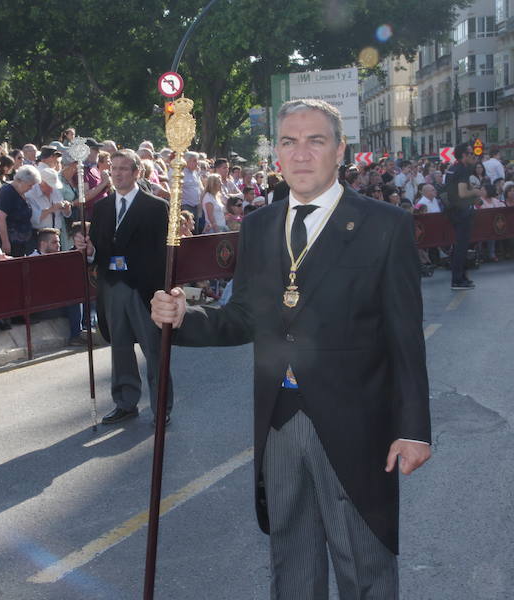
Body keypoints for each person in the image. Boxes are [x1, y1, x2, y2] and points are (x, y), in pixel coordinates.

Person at [151, 99, 430, 599]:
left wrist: (413, 430)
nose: (301, 154)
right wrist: (183, 318)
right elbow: (245, 317)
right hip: (278, 421)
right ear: (275, 153)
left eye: (315, 140)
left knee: (363, 567)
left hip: (356, 426)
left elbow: (404, 336)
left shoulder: (384, 225)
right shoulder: (258, 226)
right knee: (292, 568)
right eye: (288, 142)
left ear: (340, 150)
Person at [75, 149, 172, 427]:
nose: (117, 174)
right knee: (119, 347)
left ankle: (161, 406)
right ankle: (125, 402)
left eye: (123, 169)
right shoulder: (103, 208)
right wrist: (89, 250)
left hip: (144, 289)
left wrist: (161, 292)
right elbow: (99, 249)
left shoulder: (155, 207)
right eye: (113, 169)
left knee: (153, 350)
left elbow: (162, 254)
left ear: (137, 173)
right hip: (113, 286)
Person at [444, 142, 479, 290]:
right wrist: (476, 191)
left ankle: (462, 277)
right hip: (461, 211)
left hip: (454, 210)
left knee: (461, 246)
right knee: (461, 247)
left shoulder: (453, 168)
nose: (474, 156)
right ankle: (457, 280)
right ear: (464, 155)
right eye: (471, 153)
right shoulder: (462, 170)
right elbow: (462, 193)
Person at [0, 165, 39, 257]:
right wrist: (5, 242)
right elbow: (0, 219)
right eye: (29, 185)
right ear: (19, 181)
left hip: (23, 242)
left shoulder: (23, 194)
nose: (31, 188)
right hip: (11, 242)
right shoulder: (6, 192)